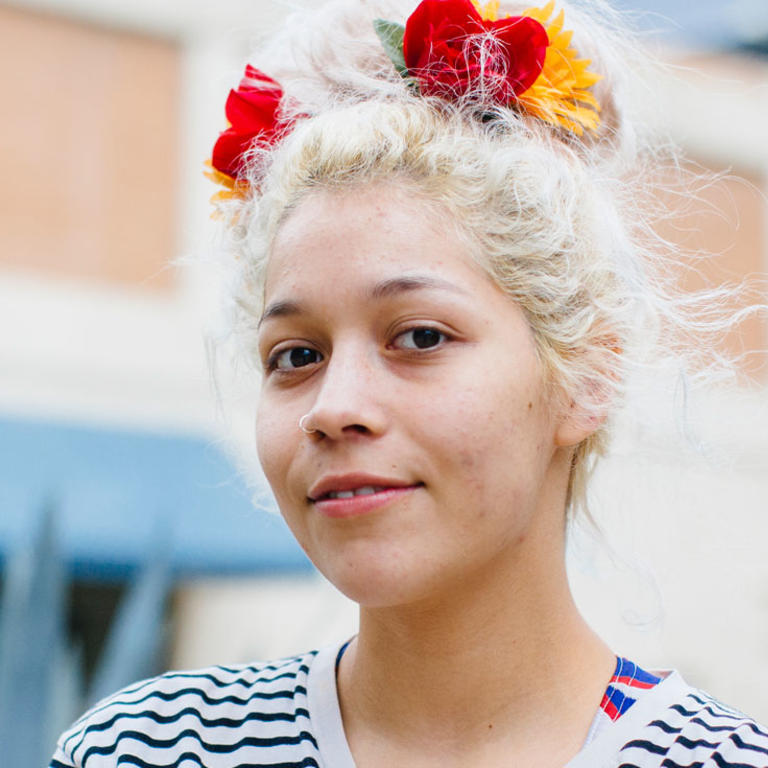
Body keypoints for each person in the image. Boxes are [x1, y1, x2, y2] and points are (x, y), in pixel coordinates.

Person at [50, 0, 768, 766]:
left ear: (588, 373)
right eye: (295, 356)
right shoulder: (151, 749)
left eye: (420, 337)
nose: (334, 408)